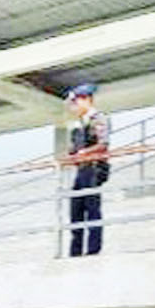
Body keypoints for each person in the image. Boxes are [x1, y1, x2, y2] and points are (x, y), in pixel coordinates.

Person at [63, 82, 108, 258]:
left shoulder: (98, 118)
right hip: (81, 169)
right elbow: (73, 149)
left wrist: (83, 153)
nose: (73, 107)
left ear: (86, 100)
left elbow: (103, 144)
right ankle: (75, 251)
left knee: (92, 210)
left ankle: (93, 250)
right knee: (76, 211)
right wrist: (73, 155)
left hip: (94, 168)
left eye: (75, 102)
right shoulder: (78, 124)